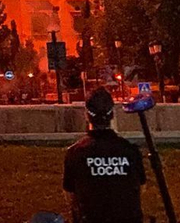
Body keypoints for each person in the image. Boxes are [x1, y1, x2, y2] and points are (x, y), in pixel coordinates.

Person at [62, 88, 145, 223]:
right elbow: (140, 188)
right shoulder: (130, 150)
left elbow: (70, 194)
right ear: (112, 114)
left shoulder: (76, 153)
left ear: (86, 115)